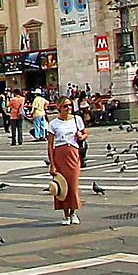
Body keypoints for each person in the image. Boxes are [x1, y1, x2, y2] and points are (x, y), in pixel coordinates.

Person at [47, 94, 86, 224]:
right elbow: (50, 144)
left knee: (73, 185)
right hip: (60, 154)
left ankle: (73, 212)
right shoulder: (53, 123)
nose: (68, 108)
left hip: (73, 153)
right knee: (62, 187)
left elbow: (85, 133)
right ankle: (66, 215)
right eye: (65, 106)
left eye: (70, 105)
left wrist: (82, 136)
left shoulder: (77, 119)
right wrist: (52, 164)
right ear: (59, 108)